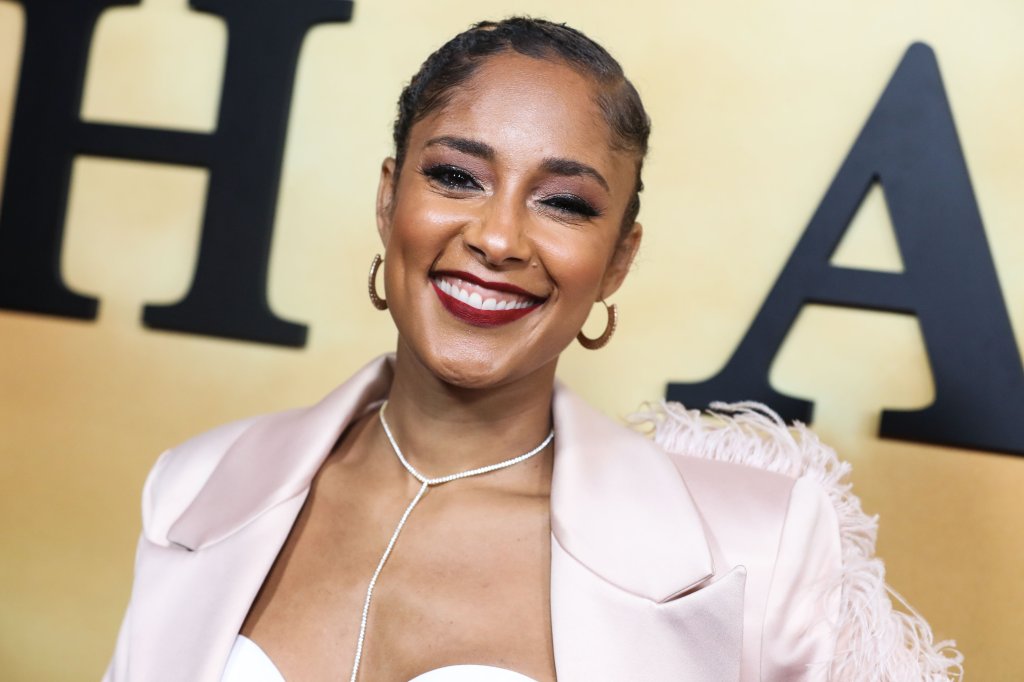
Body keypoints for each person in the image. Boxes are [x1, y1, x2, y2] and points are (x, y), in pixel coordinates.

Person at [103, 17, 962, 682]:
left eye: (564, 203)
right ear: (388, 198)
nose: (499, 237)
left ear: (618, 258)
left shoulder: (754, 545)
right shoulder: (195, 489)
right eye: (455, 177)